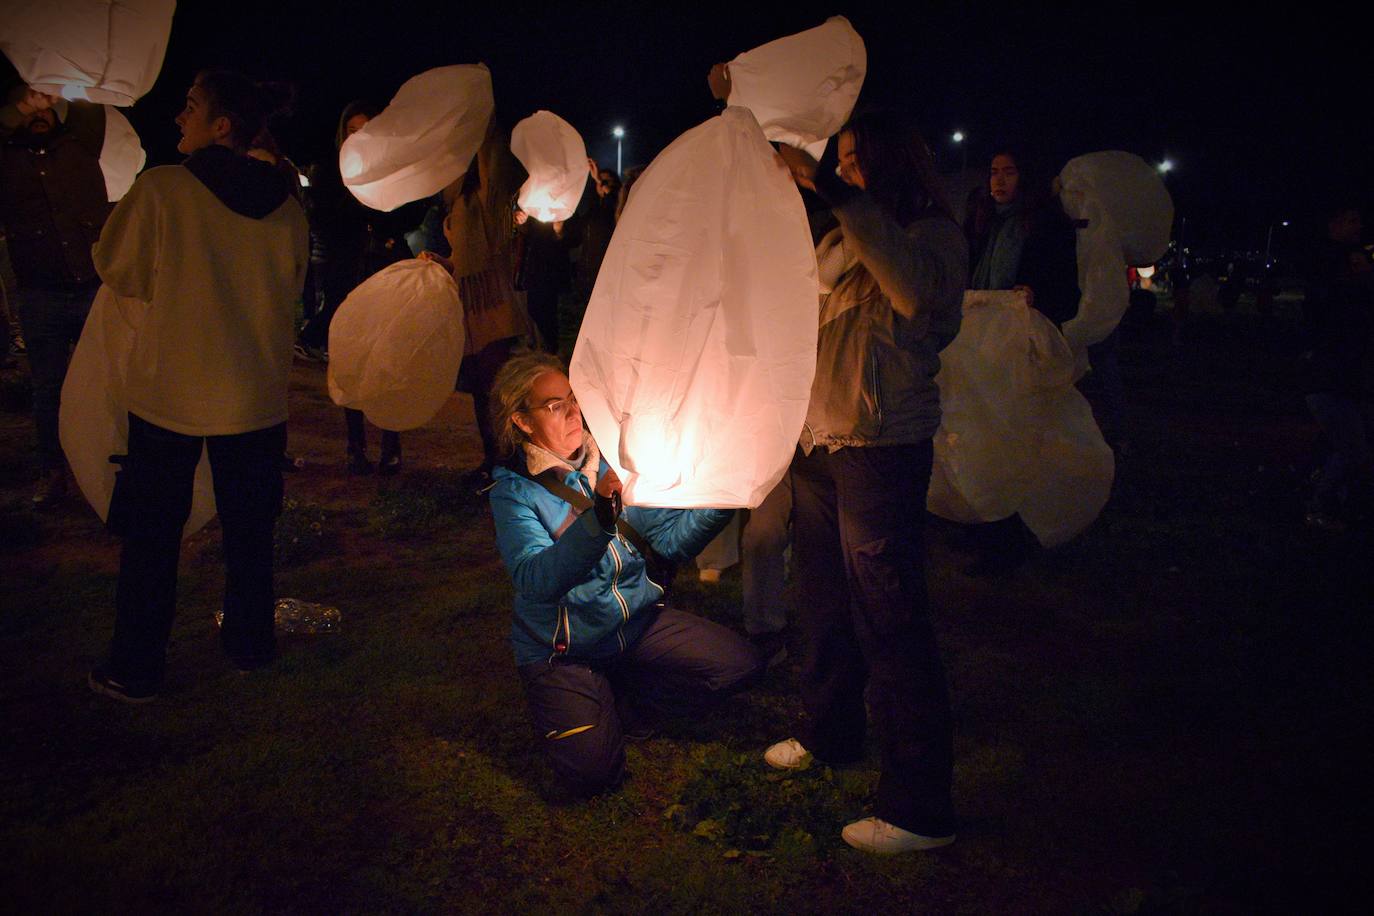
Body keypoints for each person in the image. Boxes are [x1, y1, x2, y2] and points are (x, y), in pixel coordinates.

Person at [770, 112, 966, 854]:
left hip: (882, 445)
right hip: (821, 441)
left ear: (892, 163)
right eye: (840, 160)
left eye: (857, 160)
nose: (846, 170)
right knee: (821, 600)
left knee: (890, 616)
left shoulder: (931, 236)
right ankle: (829, 734)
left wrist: (839, 197)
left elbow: (914, 295)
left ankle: (920, 805)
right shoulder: (838, 240)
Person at [86, 69, 309, 702]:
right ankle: (249, 643)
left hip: (171, 388)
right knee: (250, 530)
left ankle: (136, 665)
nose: (177, 118)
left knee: (153, 534)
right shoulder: (286, 206)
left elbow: (117, 267)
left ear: (221, 125)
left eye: (189, 107)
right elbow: (291, 290)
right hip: (255, 394)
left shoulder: (161, 191)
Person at [487, 351, 761, 797]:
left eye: (575, 398)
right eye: (556, 405)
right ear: (522, 421)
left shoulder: (616, 458)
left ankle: (627, 697)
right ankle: (589, 698)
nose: (575, 411)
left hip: (636, 625)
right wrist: (598, 518)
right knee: (593, 774)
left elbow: (668, 543)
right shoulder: (515, 493)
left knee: (739, 666)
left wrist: (725, 492)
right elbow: (536, 580)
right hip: (564, 649)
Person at [962, 148, 1082, 573]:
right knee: (977, 436)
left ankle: (1009, 538)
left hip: (1022, 352)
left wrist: (1037, 298)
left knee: (1014, 440)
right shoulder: (981, 222)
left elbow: (1068, 294)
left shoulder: (1046, 226)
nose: (999, 180)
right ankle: (979, 525)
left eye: (1009, 171)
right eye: (994, 171)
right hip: (980, 351)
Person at [0, 84, 113, 506]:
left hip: (91, 288)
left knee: (102, 385)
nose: (39, 111)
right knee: (48, 388)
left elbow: (90, 100)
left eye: (45, 105)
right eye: (28, 106)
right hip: (40, 293)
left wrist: (61, 79)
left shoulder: (81, 144)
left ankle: (105, 471)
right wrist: (20, 106)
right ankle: (54, 472)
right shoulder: (7, 160)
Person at [298, 101, 410, 475]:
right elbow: (325, 219)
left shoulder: (387, 170)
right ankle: (355, 445)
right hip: (345, 276)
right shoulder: (329, 172)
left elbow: (400, 215)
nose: (359, 136)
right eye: (352, 130)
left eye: (366, 129)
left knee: (387, 360)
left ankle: (391, 444)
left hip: (382, 273)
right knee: (350, 359)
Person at [422, 121, 532, 487]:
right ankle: (494, 460)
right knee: (480, 391)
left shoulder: (488, 198)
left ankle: (510, 463)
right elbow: (463, 258)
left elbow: (494, 160)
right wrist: (442, 262)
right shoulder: (457, 201)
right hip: (468, 305)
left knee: (497, 390)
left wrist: (483, 117)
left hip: (493, 306)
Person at [1298, 199, 1373, 530]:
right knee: (1353, 447)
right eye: (1350, 220)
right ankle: (1321, 503)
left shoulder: (1338, 272)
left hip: (1341, 370)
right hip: (1333, 371)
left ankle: (1324, 487)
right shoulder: (1332, 270)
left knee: (1342, 439)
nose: (1357, 227)